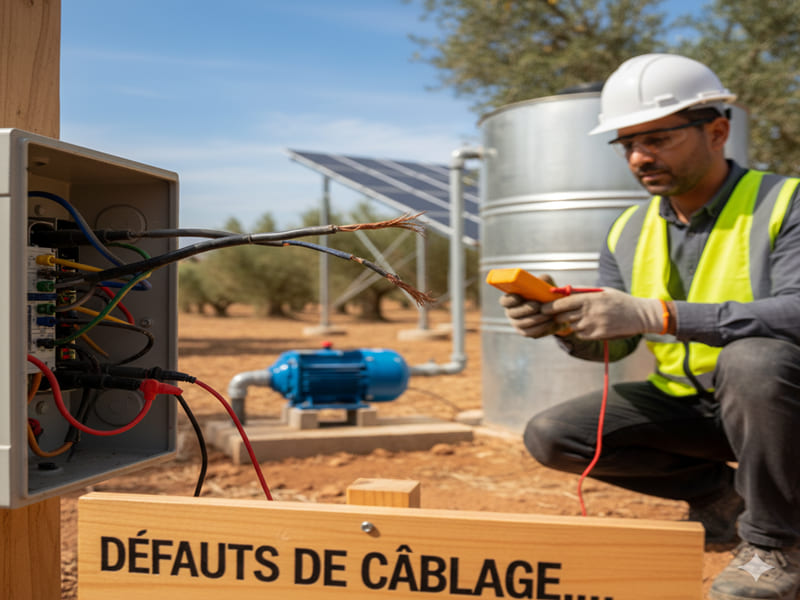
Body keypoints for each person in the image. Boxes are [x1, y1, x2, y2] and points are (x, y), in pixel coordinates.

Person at [500, 53, 800, 600]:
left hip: (780, 406)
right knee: (553, 434)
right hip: (693, 404)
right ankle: (722, 497)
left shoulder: (786, 202)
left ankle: (774, 545)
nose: (639, 156)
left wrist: (659, 313)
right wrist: (563, 326)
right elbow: (620, 343)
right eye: (627, 143)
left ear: (717, 131)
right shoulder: (627, 229)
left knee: (754, 361)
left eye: (658, 138)